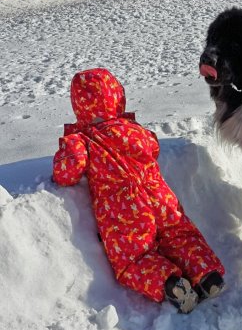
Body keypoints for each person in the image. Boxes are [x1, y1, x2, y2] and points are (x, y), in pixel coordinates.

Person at [53, 68, 225, 313]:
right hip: (160, 197)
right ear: (116, 98)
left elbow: (67, 172)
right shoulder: (134, 130)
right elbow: (153, 146)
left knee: (135, 257)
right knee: (180, 235)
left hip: (126, 210)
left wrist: (68, 146)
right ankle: (207, 274)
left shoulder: (83, 140)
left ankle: (171, 284)